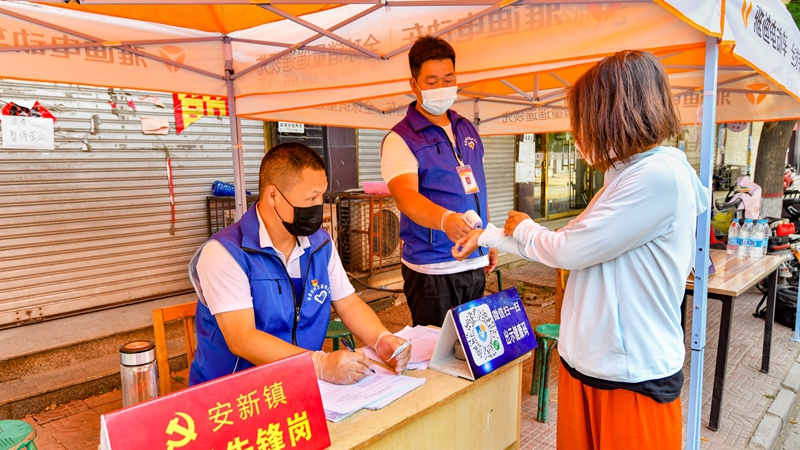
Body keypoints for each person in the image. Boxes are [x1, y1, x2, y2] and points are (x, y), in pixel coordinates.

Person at [452, 50, 709, 449]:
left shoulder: (659, 176)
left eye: (583, 119)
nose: (578, 132)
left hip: (631, 374)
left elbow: (571, 247)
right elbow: (576, 241)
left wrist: (526, 228)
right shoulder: (622, 173)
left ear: (615, 114)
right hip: (590, 363)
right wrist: (487, 236)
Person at [188, 142, 411, 386]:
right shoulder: (225, 252)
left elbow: (347, 302)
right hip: (235, 395)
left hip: (300, 381)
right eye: (311, 198)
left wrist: (381, 338)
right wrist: (318, 364)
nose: (319, 206)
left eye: (322, 196)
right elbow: (243, 338)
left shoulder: (319, 244)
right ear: (273, 196)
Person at [381, 35, 498, 328]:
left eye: (448, 79)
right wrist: (445, 220)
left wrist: (489, 236)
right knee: (437, 355)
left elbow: (477, 189)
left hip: (474, 258)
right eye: (432, 82)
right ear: (415, 85)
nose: (442, 88)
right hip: (432, 267)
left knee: (474, 349)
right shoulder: (401, 138)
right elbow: (405, 196)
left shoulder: (466, 126)